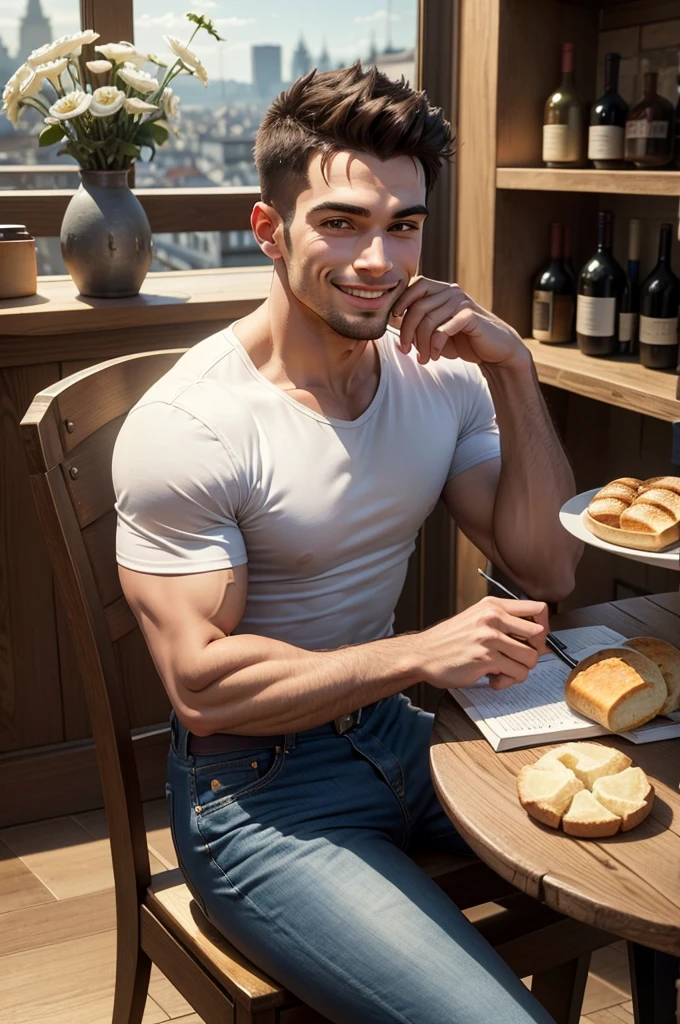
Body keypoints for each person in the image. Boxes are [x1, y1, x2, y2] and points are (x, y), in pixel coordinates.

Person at [113, 62, 582, 1024]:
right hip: (259, 796)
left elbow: (549, 565)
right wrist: (420, 653)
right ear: (269, 229)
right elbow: (202, 689)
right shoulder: (193, 425)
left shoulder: (442, 376)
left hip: (401, 738)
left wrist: (515, 371)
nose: (378, 259)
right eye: (340, 222)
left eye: (403, 225)